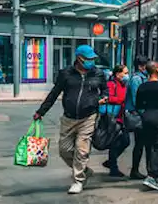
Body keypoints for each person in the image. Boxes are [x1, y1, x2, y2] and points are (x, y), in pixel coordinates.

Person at [34, 45, 106, 194]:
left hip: (88, 117)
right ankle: (84, 169)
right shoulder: (66, 74)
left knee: (81, 150)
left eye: (93, 59)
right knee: (64, 150)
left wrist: (102, 98)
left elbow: (105, 90)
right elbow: (54, 94)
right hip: (68, 118)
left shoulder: (97, 74)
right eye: (88, 59)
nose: (91, 61)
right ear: (79, 58)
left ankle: (78, 180)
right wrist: (41, 111)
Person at [101, 64, 130, 177]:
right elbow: (108, 97)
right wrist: (120, 100)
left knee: (125, 141)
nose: (127, 75)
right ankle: (113, 168)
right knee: (115, 142)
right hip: (112, 117)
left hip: (121, 117)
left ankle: (111, 162)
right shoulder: (111, 84)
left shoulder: (124, 85)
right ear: (118, 74)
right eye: (125, 73)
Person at [125, 55, 150, 179]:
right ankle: (135, 170)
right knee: (140, 143)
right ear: (141, 66)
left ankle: (140, 170)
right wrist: (144, 113)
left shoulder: (143, 77)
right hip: (138, 114)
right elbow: (137, 99)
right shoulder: (136, 79)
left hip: (140, 113)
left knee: (142, 143)